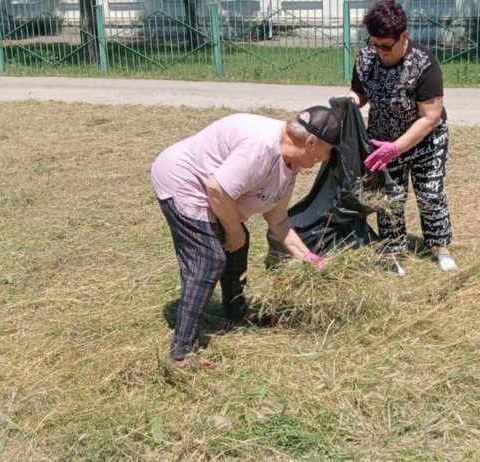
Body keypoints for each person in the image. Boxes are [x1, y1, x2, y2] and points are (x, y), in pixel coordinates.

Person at [151, 106, 341, 367]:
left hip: (212, 189)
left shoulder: (291, 163)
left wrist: (309, 258)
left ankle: (236, 314)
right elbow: (217, 189)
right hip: (182, 180)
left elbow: (278, 219)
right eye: (327, 150)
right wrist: (233, 228)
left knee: (238, 244)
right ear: (310, 142)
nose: (326, 157)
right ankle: (180, 353)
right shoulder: (262, 147)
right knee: (208, 259)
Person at [344, 0, 457, 276]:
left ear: (403, 36)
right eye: (374, 44)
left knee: (430, 193)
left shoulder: (423, 64)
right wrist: (346, 102)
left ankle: (440, 248)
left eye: (386, 46)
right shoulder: (367, 58)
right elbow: (360, 93)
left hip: (425, 141)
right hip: (381, 139)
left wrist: (396, 148)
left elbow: (430, 116)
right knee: (389, 198)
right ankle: (392, 250)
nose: (379, 51)